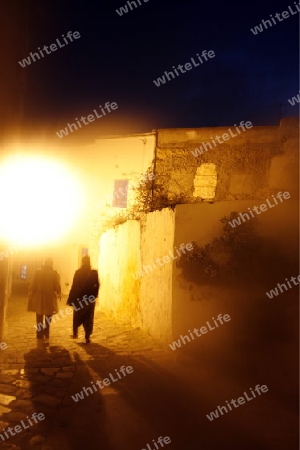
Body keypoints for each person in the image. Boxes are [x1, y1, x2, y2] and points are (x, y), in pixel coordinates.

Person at [67, 255, 100, 344]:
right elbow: (97, 285)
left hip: (80, 299)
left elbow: (74, 286)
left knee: (77, 315)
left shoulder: (78, 272)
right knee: (89, 317)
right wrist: (94, 295)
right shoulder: (94, 273)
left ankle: (75, 333)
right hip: (90, 299)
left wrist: (70, 298)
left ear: (82, 262)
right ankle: (87, 337)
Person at [28, 257, 61, 340]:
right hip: (49, 298)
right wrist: (59, 292)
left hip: (40, 297)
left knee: (39, 316)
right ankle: (46, 332)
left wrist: (32, 294)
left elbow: (33, 284)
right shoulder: (54, 273)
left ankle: (39, 333)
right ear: (51, 264)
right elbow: (56, 285)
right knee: (48, 316)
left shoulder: (38, 272)